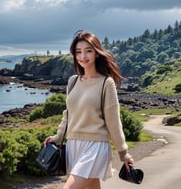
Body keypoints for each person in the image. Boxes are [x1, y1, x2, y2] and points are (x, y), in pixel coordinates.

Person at [43, 30, 134, 189]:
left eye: (88, 51)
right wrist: (58, 137)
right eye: (78, 52)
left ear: (97, 53)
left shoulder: (107, 83)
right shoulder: (72, 82)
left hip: (96, 146)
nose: (83, 56)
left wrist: (123, 153)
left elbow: (113, 121)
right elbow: (68, 114)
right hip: (73, 145)